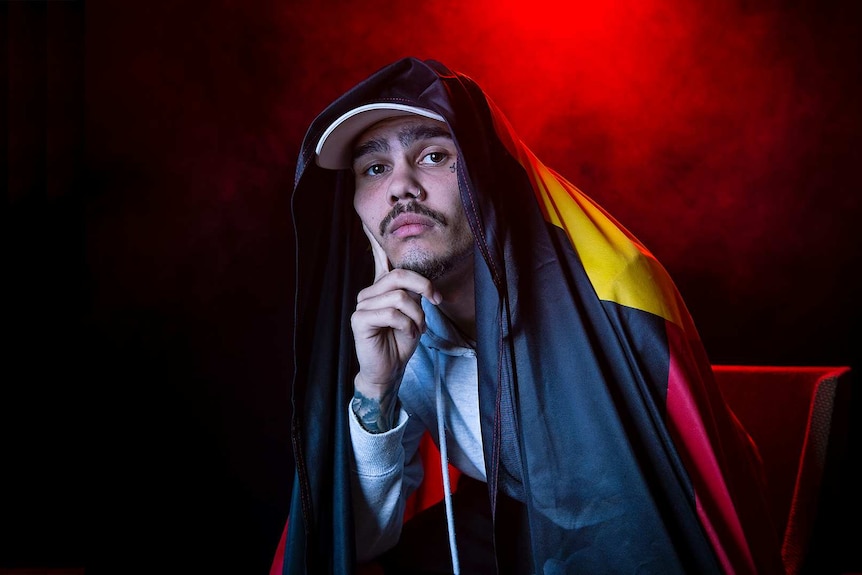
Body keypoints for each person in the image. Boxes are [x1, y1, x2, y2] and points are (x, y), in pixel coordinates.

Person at [271, 57, 785, 575]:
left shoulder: (609, 291)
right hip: (514, 515)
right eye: (375, 168)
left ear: (486, 172)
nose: (401, 187)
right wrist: (375, 392)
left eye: (432, 155)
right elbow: (355, 542)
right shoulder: (392, 323)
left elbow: (654, 513)